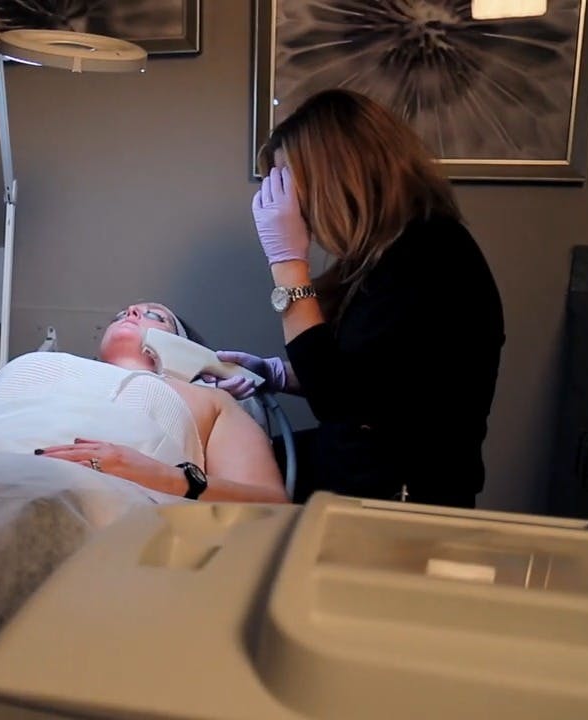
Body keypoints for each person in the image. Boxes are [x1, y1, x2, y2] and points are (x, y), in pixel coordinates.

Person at [215, 88, 504, 508]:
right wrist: (276, 373)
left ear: (334, 176)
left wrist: (287, 262)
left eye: (289, 185)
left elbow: (337, 399)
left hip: (403, 502)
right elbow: (370, 378)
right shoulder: (386, 252)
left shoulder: (430, 256)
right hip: (358, 476)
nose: (292, 207)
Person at [0, 302, 288, 504]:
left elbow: (273, 507)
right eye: (124, 311)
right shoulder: (35, 365)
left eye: (155, 316)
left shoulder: (209, 400)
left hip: (83, 508)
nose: (131, 312)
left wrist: (168, 477)